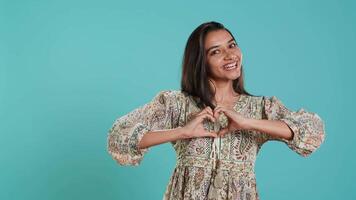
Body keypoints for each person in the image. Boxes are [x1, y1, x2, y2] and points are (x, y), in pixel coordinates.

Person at [106, 21, 325, 200]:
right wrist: (182, 132)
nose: (230, 56)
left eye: (232, 45)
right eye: (215, 52)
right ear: (201, 62)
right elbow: (118, 138)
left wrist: (248, 122)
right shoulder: (175, 103)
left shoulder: (260, 108)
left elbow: (313, 132)